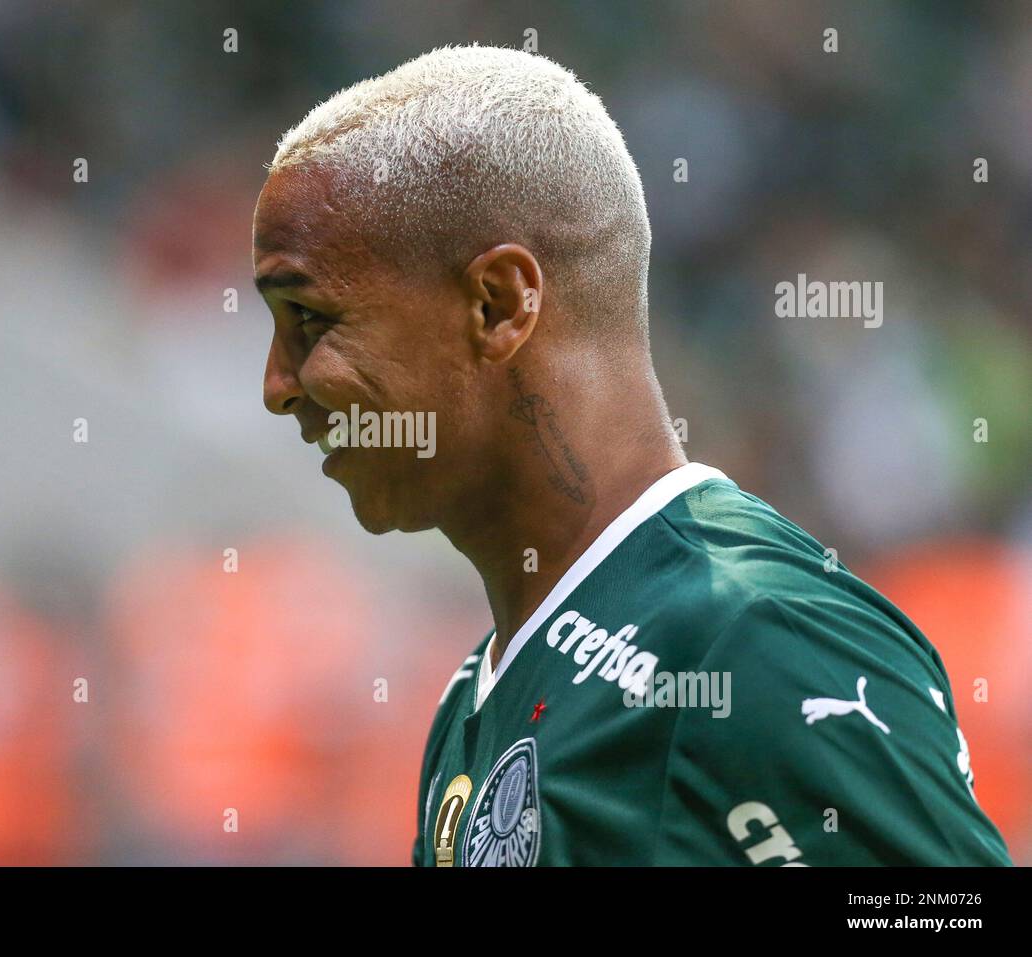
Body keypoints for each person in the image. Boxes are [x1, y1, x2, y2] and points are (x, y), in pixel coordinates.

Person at [251, 44, 1011, 866]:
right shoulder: (483, 688)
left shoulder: (750, 635)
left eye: (310, 319)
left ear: (497, 303)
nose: (277, 386)